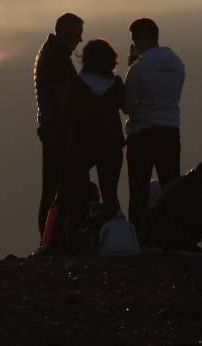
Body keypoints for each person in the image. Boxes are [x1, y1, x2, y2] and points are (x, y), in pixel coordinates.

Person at [60, 39, 126, 242]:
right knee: (110, 195)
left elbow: (65, 112)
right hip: (111, 145)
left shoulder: (76, 84)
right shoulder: (115, 84)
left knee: (77, 195)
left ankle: (75, 238)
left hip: (82, 144)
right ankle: (113, 239)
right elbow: (125, 105)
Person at [123, 18, 186, 227]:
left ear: (140, 39)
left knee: (138, 190)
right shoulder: (177, 63)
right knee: (171, 189)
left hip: (143, 133)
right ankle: (172, 235)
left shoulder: (139, 69)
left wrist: (131, 66)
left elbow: (128, 106)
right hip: (170, 131)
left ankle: (138, 238)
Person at [34, 13, 84, 236]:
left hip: (51, 127)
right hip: (58, 130)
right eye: (77, 35)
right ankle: (51, 240)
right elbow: (66, 99)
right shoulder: (57, 59)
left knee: (54, 186)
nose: (80, 40)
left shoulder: (51, 53)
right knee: (57, 187)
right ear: (66, 33)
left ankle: (51, 239)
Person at [139, 161, 202, 253]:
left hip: (161, 234)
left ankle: (183, 244)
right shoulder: (188, 189)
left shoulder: (185, 184)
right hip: (166, 237)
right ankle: (183, 245)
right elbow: (193, 219)